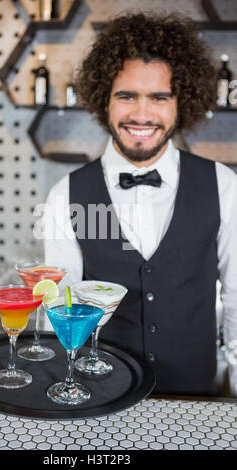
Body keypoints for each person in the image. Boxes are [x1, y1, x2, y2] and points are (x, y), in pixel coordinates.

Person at [42, 12, 237, 396]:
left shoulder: (224, 185)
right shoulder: (64, 194)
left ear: (182, 102)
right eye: (126, 96)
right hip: (98, 402)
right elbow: (58, 315)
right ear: (105, 100)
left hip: (195, 402)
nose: (142, 114)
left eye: (159, 97)